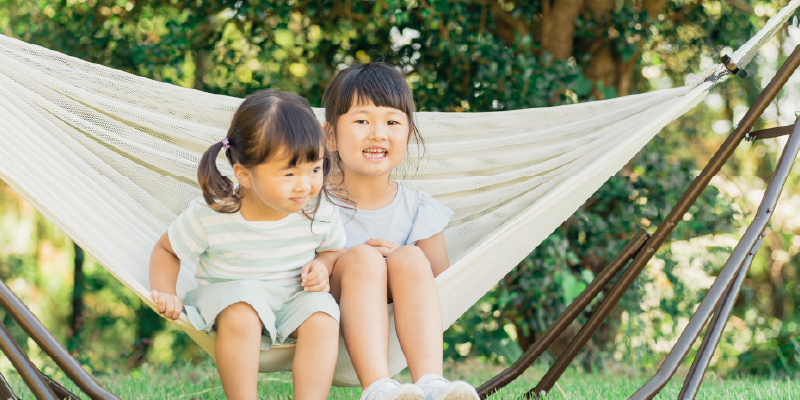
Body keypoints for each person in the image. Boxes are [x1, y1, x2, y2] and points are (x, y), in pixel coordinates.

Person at [148, 90, 345, 400]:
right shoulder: (213, 214)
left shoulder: (319, 211)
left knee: (322, 314)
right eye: (289, 173)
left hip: (291, 302)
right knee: (242, 309)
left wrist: (322, 266)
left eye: (315, 169)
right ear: (245, 174)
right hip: (230, 300)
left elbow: (332, 249)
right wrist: (166, 291)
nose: (305, 184)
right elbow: (166, 250)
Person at [323, 63, 480, 400]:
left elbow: (443, 286)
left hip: (394, 320)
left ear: (408, 135)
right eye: (362, 121)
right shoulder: (311, 202)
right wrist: (354, 262)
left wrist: (399, 265)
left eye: (392, 122)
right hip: (326, 314)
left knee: (410, 256)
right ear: (331, 136)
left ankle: (431, 384)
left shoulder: (420, 210)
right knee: (364, 258)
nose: (378, 133)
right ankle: (378, 389)